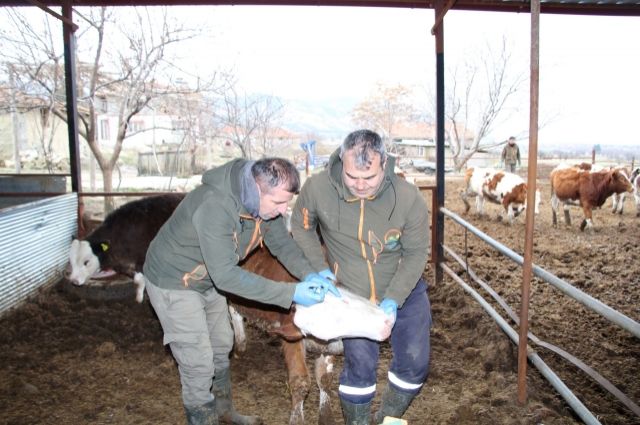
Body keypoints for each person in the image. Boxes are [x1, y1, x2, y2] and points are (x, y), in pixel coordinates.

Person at [142, 157, 340, 425]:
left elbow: (282, 244)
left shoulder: (261, 204)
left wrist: (311, 274)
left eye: (287, 203)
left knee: (222, 343)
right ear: (257, 188)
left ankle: (223, 411)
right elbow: (226, 276)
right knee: (198, 361)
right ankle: (203, 419)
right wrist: (291, 293)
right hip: (175, 279)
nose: (284, 211)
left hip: (207, 276)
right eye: (279, 203)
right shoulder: (215, 206)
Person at [290, 129, 432, 424]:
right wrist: (319, 267)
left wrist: (394, 297)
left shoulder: (407, 197)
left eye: (370, 178)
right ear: (342, 160)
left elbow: (417, 253)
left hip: (402, 287)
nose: (361, 185)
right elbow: (301, 225)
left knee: (415, 363)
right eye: (353, 177)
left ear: (384, 164)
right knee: (360, 367)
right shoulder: (317, 188)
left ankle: (385, 419)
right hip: (351, 292)